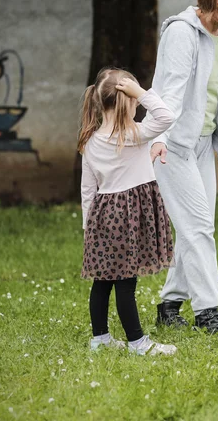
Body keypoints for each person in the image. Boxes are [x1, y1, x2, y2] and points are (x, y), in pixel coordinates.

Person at [149, 0, 218, 334]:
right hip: (172, 145)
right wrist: (158, 137)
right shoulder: (182, 32)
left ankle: (169, 305)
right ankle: (208, 313)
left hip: (203, 143)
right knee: (198, 228)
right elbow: (169, 90)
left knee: (196, 228)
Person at [79, 68, 177, 355]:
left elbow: (88, 188)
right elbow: (166, 117)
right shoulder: (134, 133)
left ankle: (100, 339)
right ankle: (137, 343)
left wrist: (89, 226)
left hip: (102, 215)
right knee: (125, 282)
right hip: (128, 215)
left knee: (103, 280)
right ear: (128, 102)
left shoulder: (91, 139)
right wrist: (143, 93)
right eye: (134, 99)